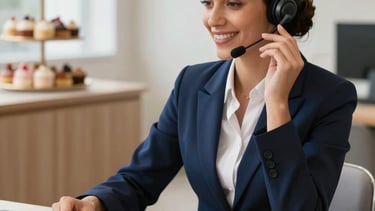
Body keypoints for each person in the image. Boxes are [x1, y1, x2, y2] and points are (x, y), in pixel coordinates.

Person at [52, 0, 357, 210]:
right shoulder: (192, 83)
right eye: (208, 3)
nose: (214, 19)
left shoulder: (330, 96)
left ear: (280, 10)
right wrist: (95, 202)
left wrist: (277, 105)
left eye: (233, 4)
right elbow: (141, 176)